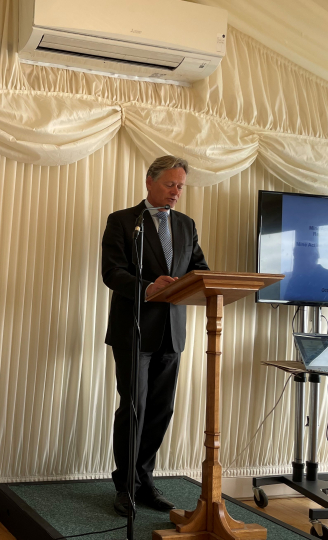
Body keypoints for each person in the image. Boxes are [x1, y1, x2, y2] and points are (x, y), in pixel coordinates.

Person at [101, 155, 209, 516]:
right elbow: (112, 273)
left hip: (172, 332)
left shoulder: (186, 225)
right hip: (133, 330)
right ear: (150, 181)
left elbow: (201, 269)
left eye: (181, 186)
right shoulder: (122, 221)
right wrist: (149, 287)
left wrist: (197, 283)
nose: (176, 192)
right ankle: (125, 487)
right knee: (135, 408)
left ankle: (145, 481)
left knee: (161, 410)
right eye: (170, 184)